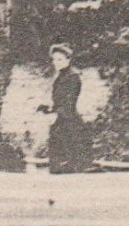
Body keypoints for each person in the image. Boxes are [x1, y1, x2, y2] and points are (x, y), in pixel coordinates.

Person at [39, 44, 94, 173]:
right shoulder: (60, 76)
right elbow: (58, 101)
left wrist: (56, 114)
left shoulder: (72, 77)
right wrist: (46, 108)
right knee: (56, 162)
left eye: (60, 59)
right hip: (59, 121)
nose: (56, 63)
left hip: (69, 123)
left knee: (67, 163)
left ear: (68, 60)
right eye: (54, 59)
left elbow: (69, 102)